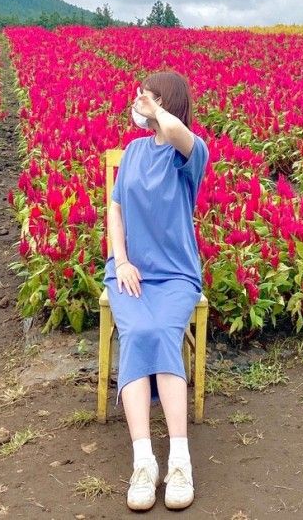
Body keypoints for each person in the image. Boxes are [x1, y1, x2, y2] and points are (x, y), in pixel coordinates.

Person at [104, 71, 209, 512]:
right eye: (140, 95)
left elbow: (179, 134)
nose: (139, 100)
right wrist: (122, 260)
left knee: (163, 331)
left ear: (168, 103)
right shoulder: (132, 151)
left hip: (176, 275)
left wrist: (157, 110)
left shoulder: (191, 152)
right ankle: (144, 461)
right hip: (130, 272)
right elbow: (116, 208)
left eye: (149, 95)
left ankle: (180, 460)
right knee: (139, 333)